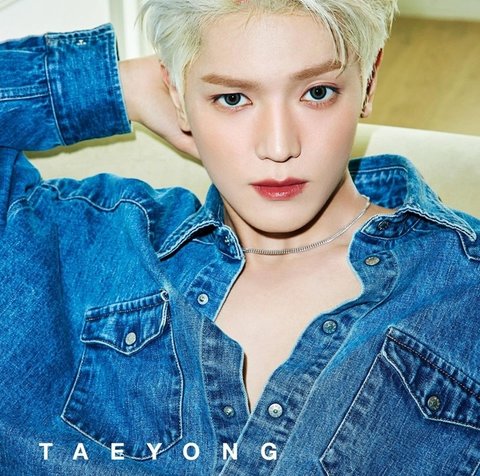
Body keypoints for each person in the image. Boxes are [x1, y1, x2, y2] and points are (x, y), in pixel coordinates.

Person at [1, 1, 479, 475]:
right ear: (176, 92)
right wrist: (119, 86)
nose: (279, 147)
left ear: (368, 81)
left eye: (317, 92)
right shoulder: (80, 241)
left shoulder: (464, 290)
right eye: (232, 98)